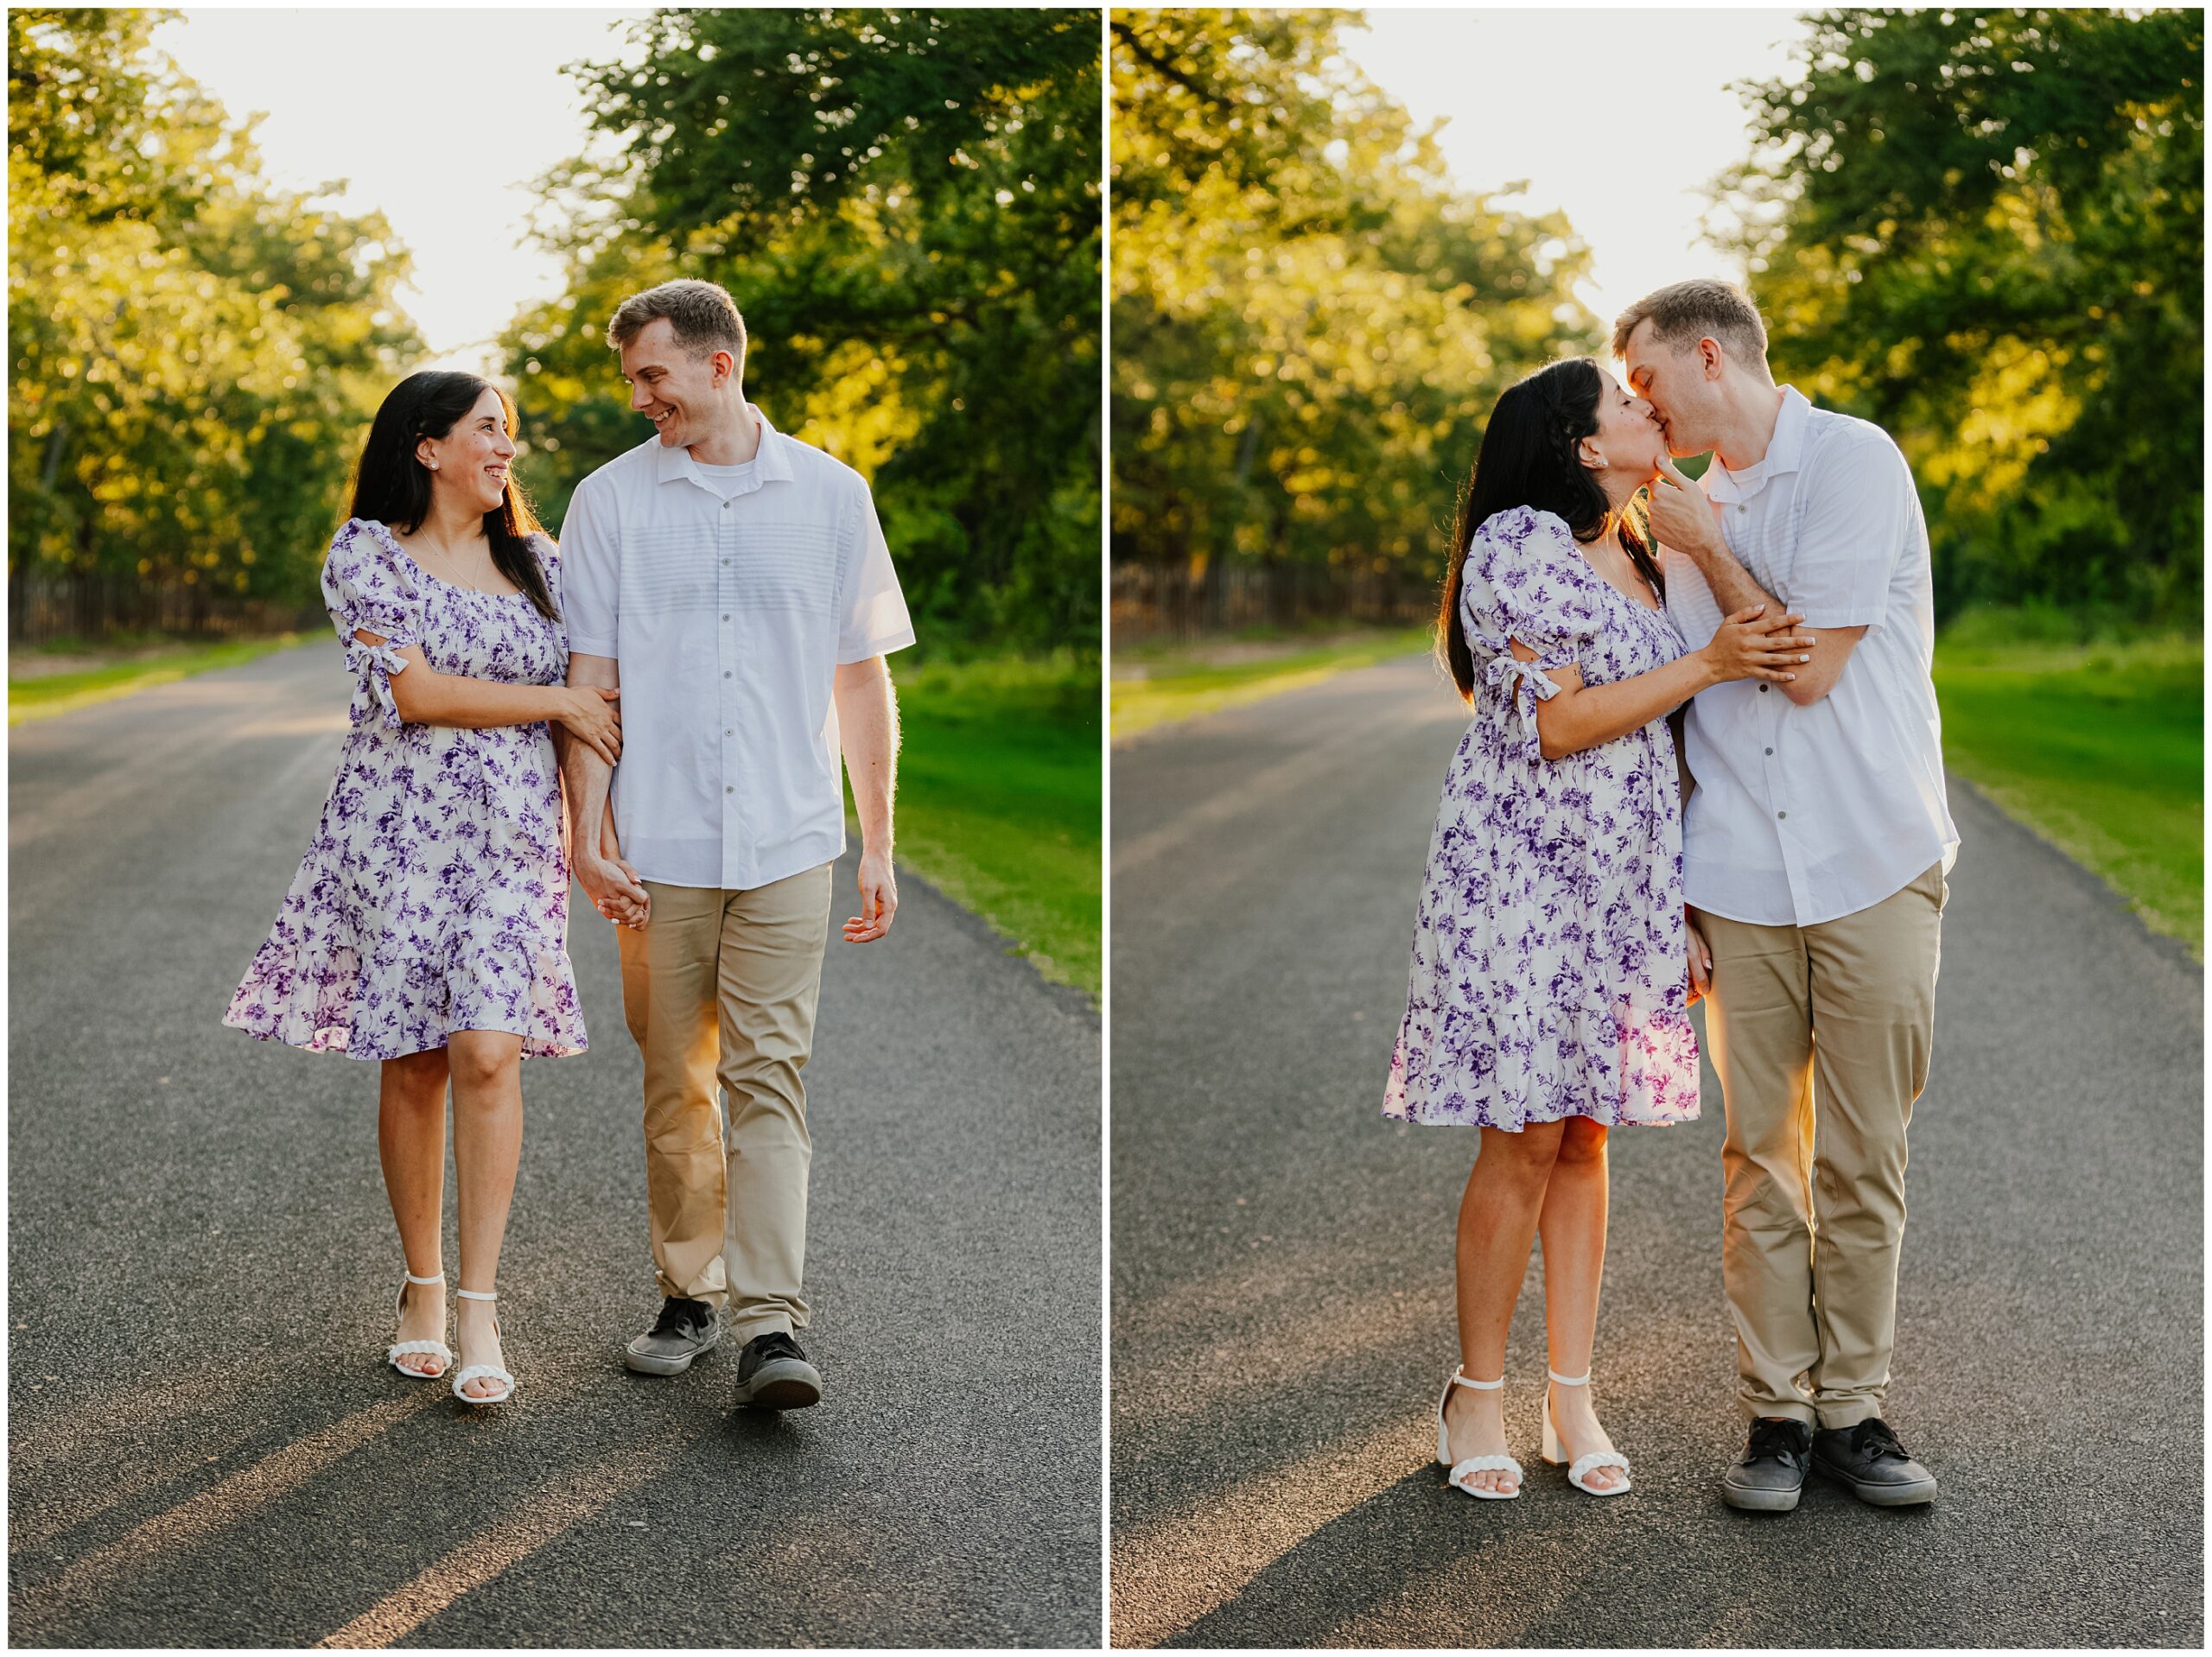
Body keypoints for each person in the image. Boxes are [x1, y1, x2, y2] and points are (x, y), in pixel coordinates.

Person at [1386, 357, 1812, 1500]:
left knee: (1587, 1135)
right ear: (1581, 443)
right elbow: (1561, 724)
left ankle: (1571, 1393)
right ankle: (1476, 1394)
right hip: (1525, 874)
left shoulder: (1636, 549)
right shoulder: (1516, 541)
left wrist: (1679, 904)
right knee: (1520, 1134)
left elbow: (1668, 750)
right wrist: (1707, 660)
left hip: (1627, 880)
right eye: (1626, 405)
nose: (1647, 410)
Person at [1618, 278, 1957, 1512]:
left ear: (1711, 354)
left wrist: (1710, 548)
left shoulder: (1852, 463)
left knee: (1864, 1154)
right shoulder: (1669, 516)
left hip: (1873, 860)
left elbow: (1805, 670)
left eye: (1650, 384)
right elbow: (1683, 699)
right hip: (1740, 880)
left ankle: (1856, 1411)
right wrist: (1676, 888)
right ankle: (1778, 1414)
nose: (1644, 413)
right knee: (1759, 1156)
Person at [225, 371, 623, 1405]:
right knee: (414, 1061)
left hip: (510, 843)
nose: (506, 449)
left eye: (510, 433)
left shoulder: (544, 563)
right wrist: (556, 700)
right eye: (488, 430)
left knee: (488, 1051)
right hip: (397, 835)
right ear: (426, 445)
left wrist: (593, 830)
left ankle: (482, 1302)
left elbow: (599, 703)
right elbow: (414, 693)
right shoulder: (363, 554)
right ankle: (422, 1285)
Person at [556, 278, 914, 1410]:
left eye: (651, 375)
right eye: (631, 379)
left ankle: (772, 1323)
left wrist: (878, 840)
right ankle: (690, 1289)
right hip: (657, 844)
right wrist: (588, 829)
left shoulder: (831, 496)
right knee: (678, 1078)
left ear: (720, 364)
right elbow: (591, 684)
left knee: (770, 1074)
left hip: (790, 838)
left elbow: (862, 677)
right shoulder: (609, 503)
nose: (639, 398)